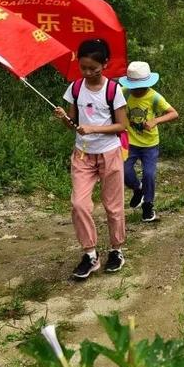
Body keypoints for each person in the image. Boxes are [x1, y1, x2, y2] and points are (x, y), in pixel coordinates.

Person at [54, 39, 129, 278]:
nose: (87, 73)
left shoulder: (113, 90)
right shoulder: (75, 89)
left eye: (93, 69)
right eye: (83, 68)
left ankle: (116, 250)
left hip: (109, 152)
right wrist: (65, 118)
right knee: (79, 204)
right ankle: (90, 254)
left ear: (104, 64)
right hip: (83, 154)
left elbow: (122, 125)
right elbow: (74, 126)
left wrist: (94, 129)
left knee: (113, 206)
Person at [119, 61, 179, 222]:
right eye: (135, 86)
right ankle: (138, 189)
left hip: (150, 144)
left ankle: (148, 204)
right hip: (130, 142)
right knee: (124, 170)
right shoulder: (123, 93)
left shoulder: (154, 97)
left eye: (142, 86)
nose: (138, 90)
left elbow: (173, 113)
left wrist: (156, 121)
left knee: (149, 174)